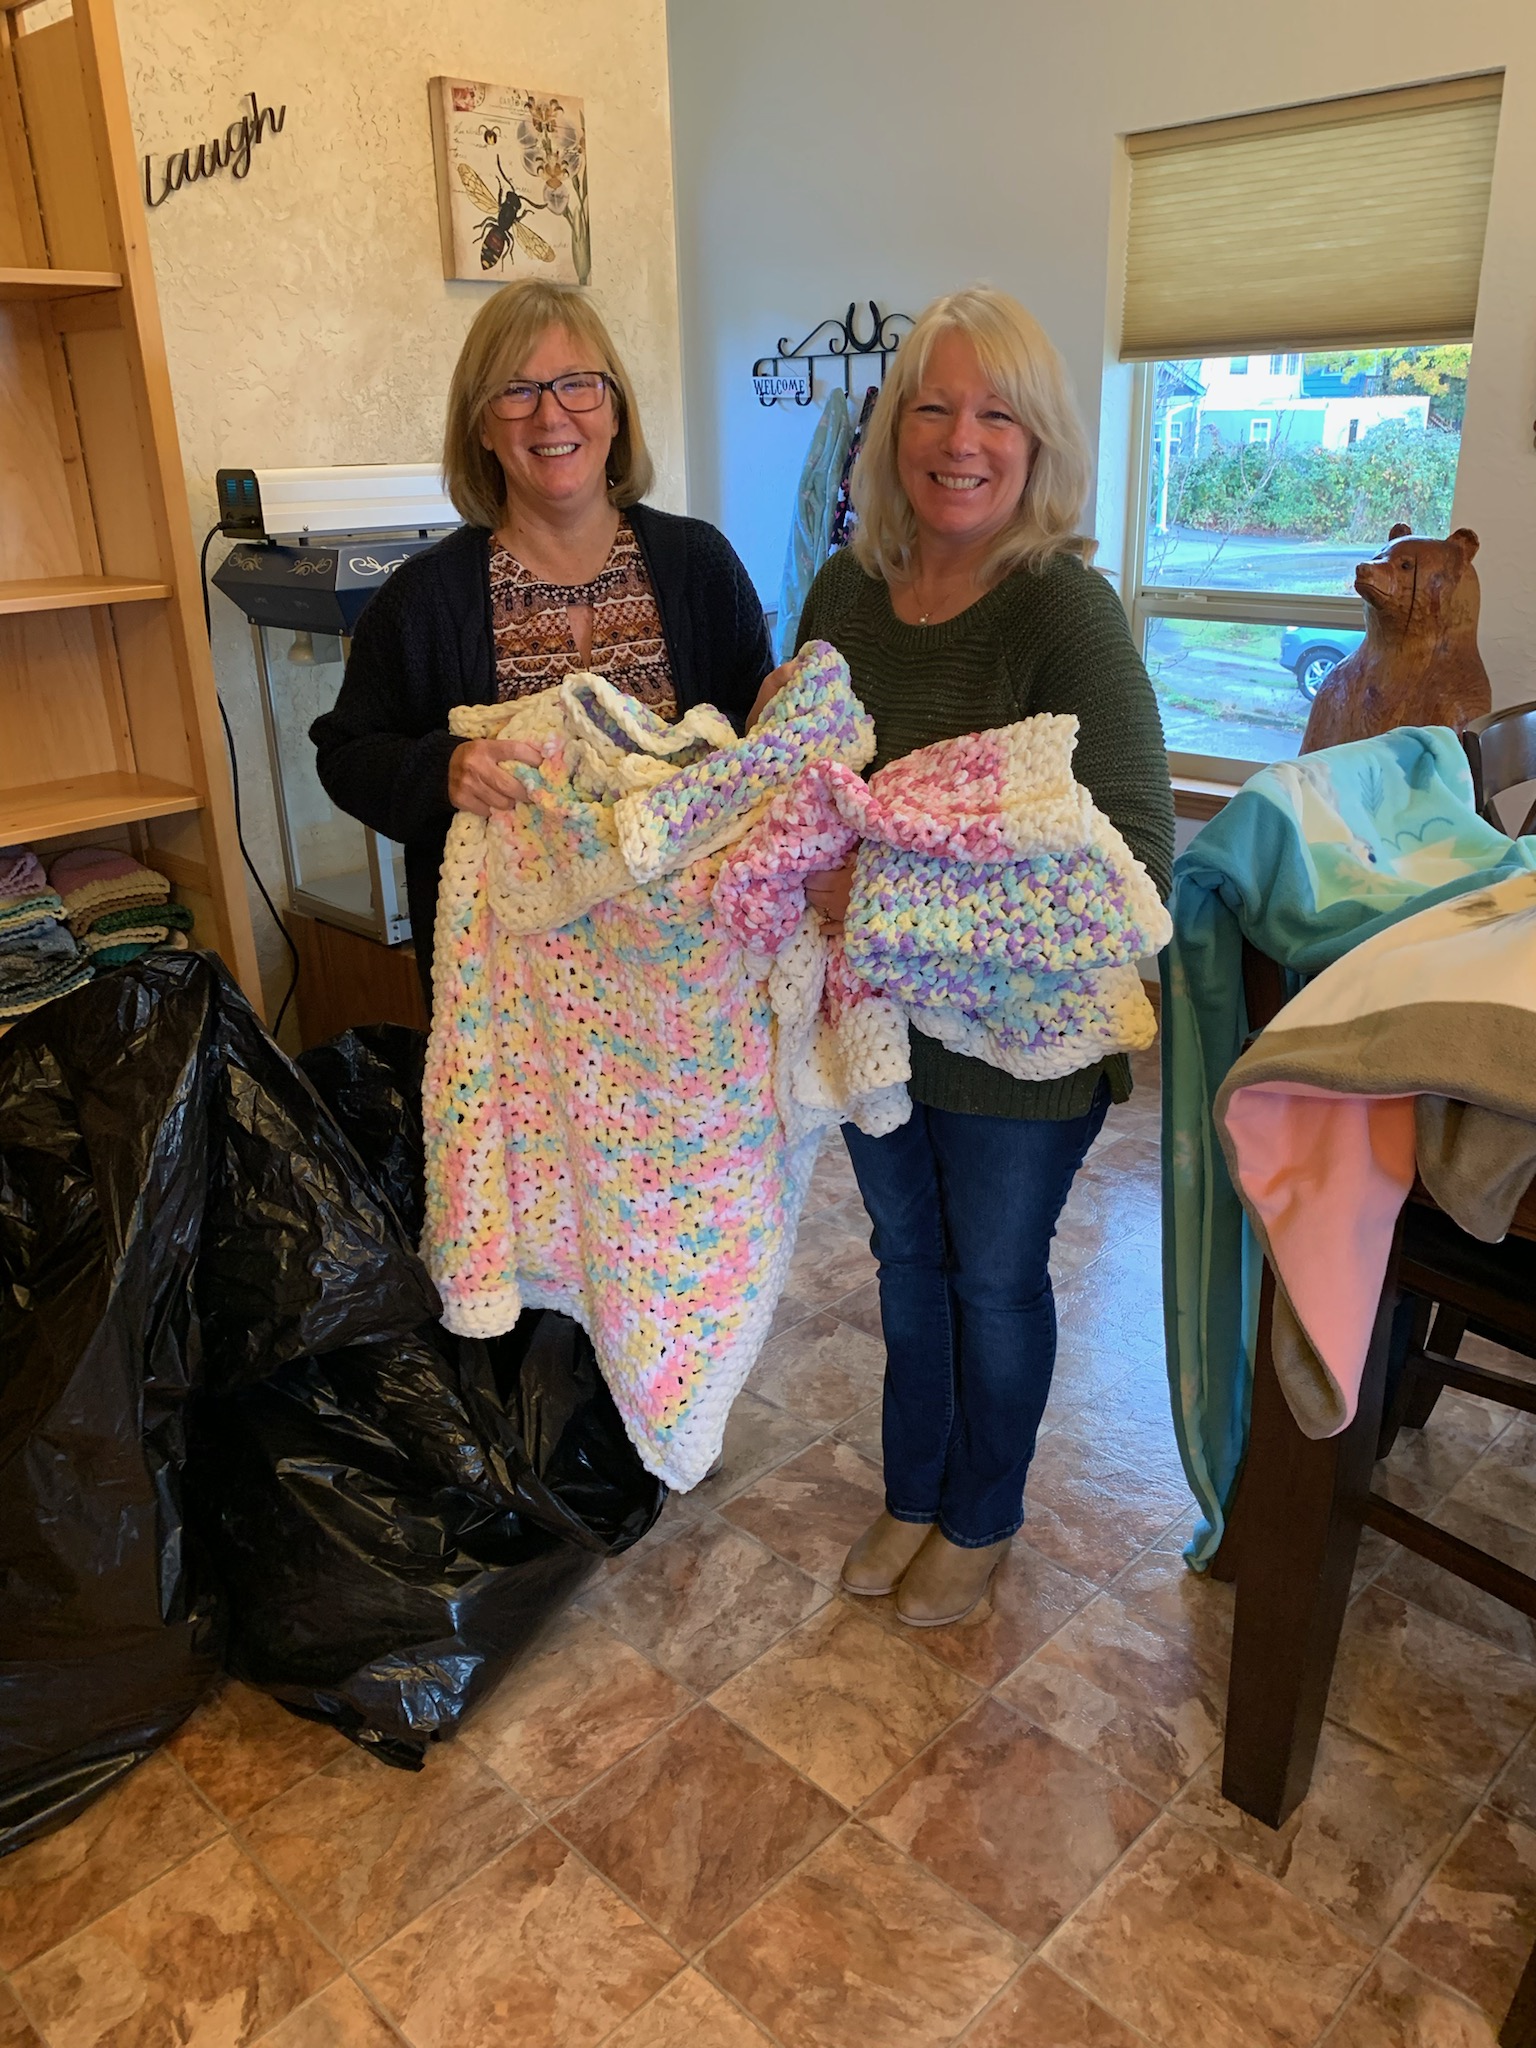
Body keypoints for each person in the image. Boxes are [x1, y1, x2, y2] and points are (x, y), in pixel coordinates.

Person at [758, 285, 1175, 1627]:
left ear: (1038, 438)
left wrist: (880, 888)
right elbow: (801, 784)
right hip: (874, 1022)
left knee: (992, 1278)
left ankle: (982, 1512)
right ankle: (913, 1490)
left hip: (1019, 1035)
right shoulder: (846, 586)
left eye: (997, 412)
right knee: (906, 1263)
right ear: (892, 432)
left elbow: (1135, 863)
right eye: (931, 408)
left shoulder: (1064, 611)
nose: (961, 439)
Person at [312, 279, 773, 996]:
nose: (550, 414)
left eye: (577, 384)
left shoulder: (700, 566)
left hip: (691, 985)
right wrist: (443, 770)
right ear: (482, 427)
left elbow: (755, 746)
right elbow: (346, 754)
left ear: (615, 411)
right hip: (509, 1000)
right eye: (516, 391)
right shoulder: (426, 598)